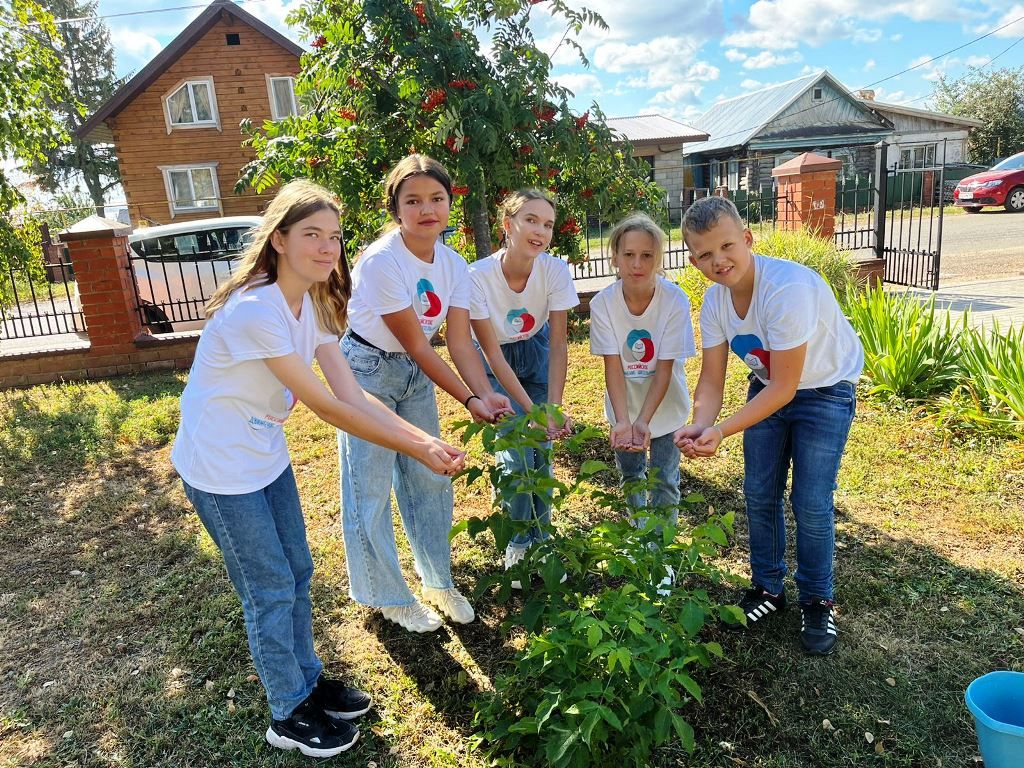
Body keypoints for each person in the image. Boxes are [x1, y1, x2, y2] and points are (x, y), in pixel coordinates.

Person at [171, 180, 466, 757]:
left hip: (263, 454)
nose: (328, 247)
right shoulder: (256, 309)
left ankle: (307, 682)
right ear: (278, 239)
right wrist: (416, 448)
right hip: (219, 466)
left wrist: (421, 436)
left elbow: (352, 390)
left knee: (299, 570)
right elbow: (327, 406)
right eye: (312, 234)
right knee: (270, 588)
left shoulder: (317, 301)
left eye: (334, 236)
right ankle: (288, 710)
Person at [674, 195, 863, 656]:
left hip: (825, 390)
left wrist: (722, 431)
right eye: (704, 254)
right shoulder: (715, 301)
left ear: (747, 239)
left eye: (725, 246)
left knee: (811, 501)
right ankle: (768, 590)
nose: (718, 261)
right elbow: (712, 379)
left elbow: (787, 386)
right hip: (768, 388)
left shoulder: (786, 288)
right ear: (694, 260)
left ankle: (817, 599)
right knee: (759, 492)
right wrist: (701, 425)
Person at [338, 154, 513, 633]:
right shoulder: (381, 261)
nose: (426, 208)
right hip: (367, 371)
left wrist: (484, 392)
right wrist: (469, 400)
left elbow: (458, 342)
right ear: (395, 209)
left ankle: (438, 579)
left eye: (436, 198)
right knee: (368, 485)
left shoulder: (454, 265)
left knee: (429, 478)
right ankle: (388, 594)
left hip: (417, 375)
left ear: (449, 204)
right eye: (412, 200)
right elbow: (418, 342)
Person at [469, 188, 579, 587]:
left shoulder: (554, 270)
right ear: (507, 225)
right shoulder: (477, 276)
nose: (541, 231)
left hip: (537, 350)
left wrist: (552, 406)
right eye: (531, 220)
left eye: (547, 224)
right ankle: (518, 541)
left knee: (540, 451)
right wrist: (528, 410)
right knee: (515, 454)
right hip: (495, 359)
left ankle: (542, 540)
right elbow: (493, 355)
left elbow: (560, 342)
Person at [589, 212, 696, 593]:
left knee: (665, 479)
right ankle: (640, 540)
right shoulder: (603, 304)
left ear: (659, 258)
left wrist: (646, 421)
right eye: (629, 254)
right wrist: (624, 420)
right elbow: (613, 366)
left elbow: (665, 369)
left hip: (666, 408)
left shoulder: (674, 300)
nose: (637, 264)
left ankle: (661, 554)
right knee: (632, 474)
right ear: (614, 256)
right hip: (623, 408)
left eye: (647, 255)